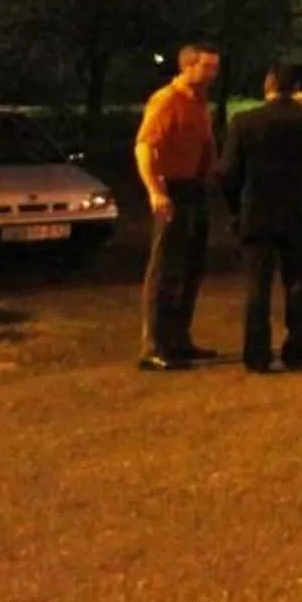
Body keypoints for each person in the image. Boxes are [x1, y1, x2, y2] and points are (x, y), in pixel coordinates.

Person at [218, 65, 302, 374]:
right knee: (299, 284)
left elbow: (227, 172)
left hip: (258, 214)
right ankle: (296, 352)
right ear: (295, 87)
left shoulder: (244, 122)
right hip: (300, 213)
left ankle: (257, 354)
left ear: (267, 87)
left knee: (257, 288)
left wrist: (237, 206)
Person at [134, 43, 221, 372]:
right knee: (165, 268)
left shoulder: (199, 103)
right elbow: (144, 148)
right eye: (208, 67)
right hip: (172, 187)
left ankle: (179, 338)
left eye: (215, 67)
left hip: (194, 188)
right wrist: (155, 190)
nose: (213, 74)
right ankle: (153, 345)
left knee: (191, 265)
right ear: (187, 66)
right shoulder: (167, 100)